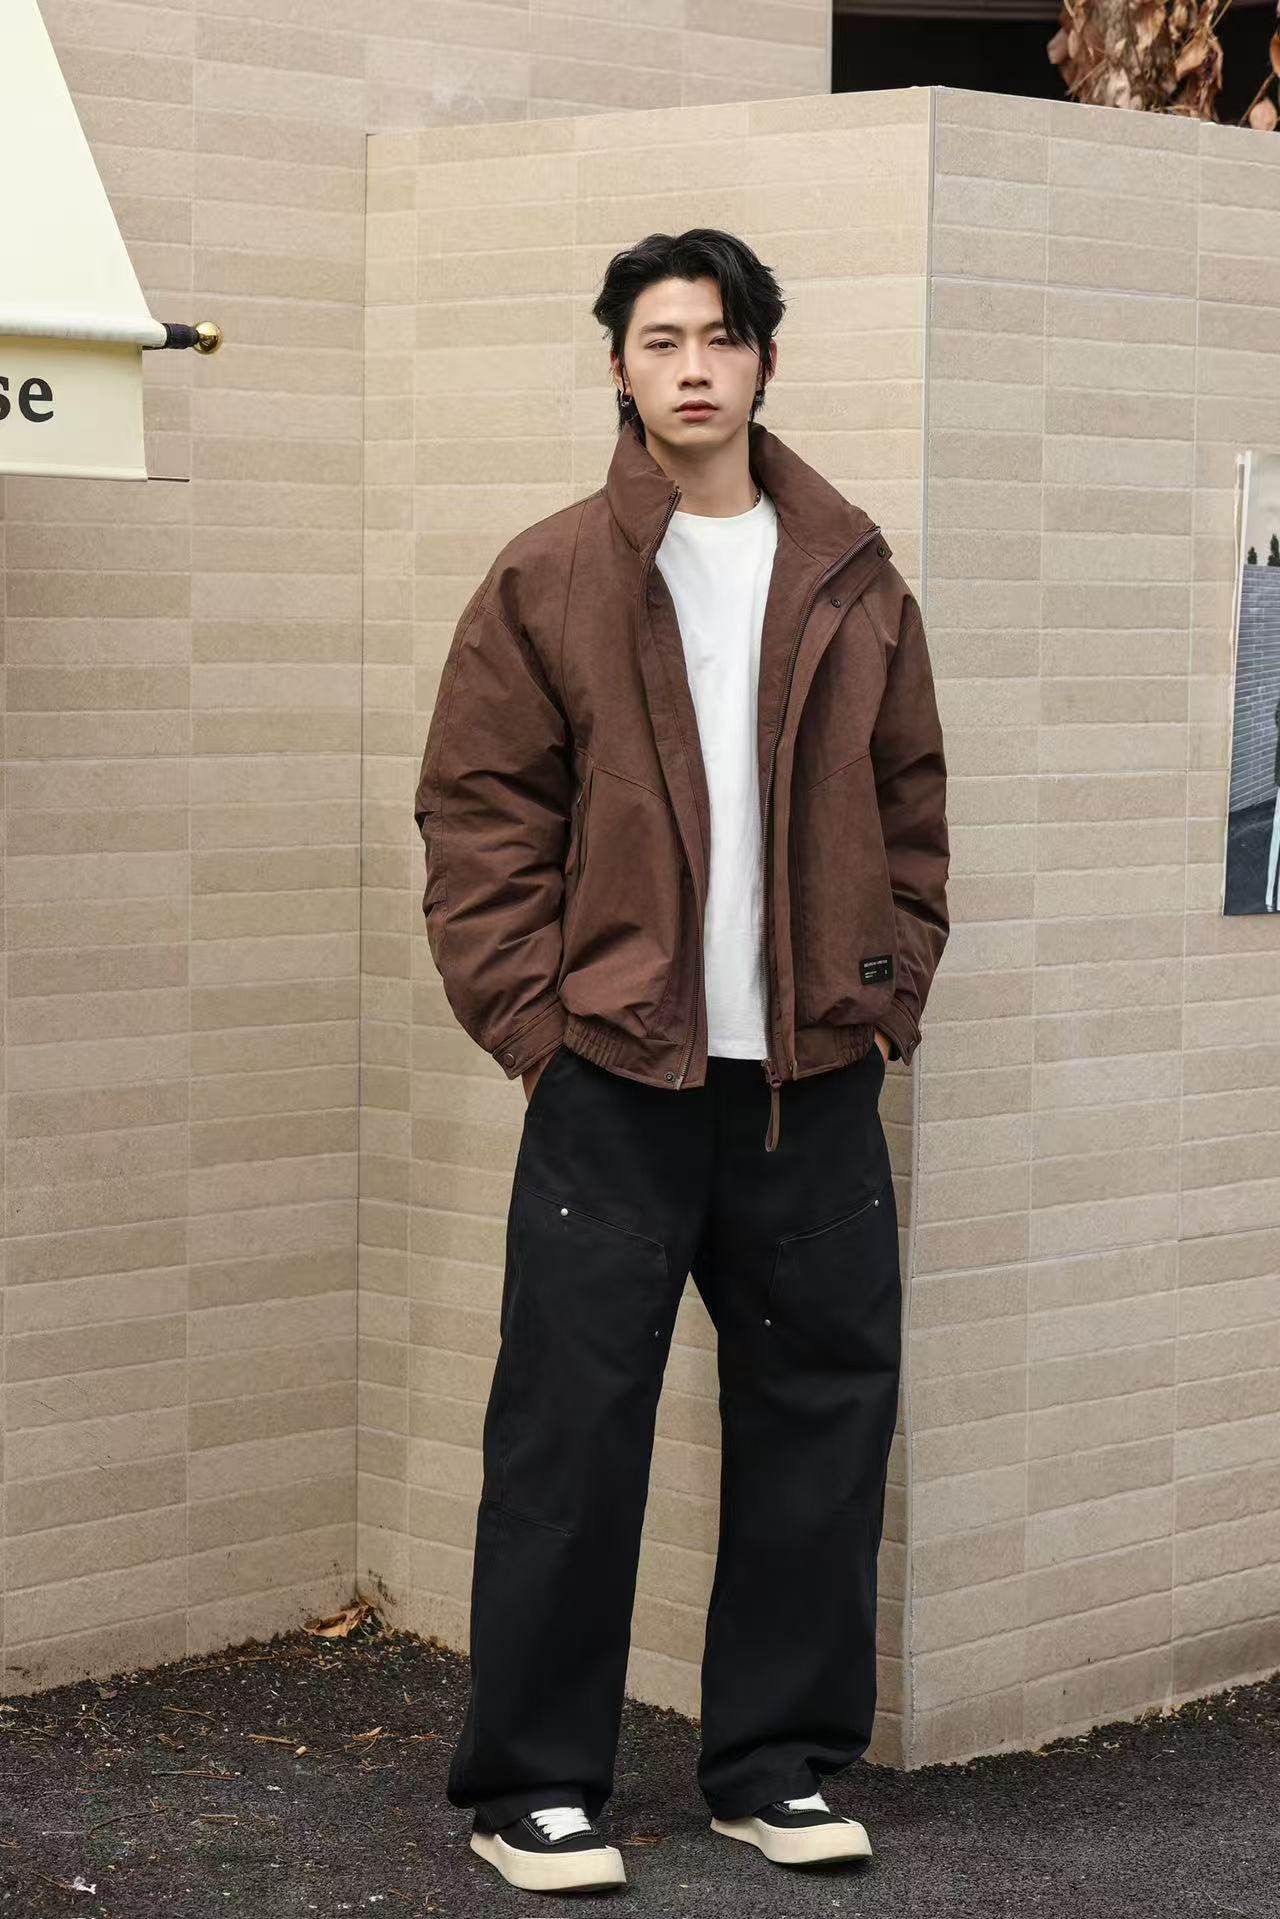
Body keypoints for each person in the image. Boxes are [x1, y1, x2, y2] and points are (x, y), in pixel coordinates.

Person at [414, 227, 950, 1895]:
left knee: (823, 1424)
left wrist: (888, 988)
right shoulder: (550, 575)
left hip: (812, 1083)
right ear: (620, 368)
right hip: (615, 1083)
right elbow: (479, 817)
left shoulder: (852, 571)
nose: (694, 367)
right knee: (568, 1435)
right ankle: (533, 1787)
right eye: (661, 340)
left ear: (765, 359)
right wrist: (535, 1027)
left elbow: (913, 803)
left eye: (721, 336)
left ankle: (775, 1766)